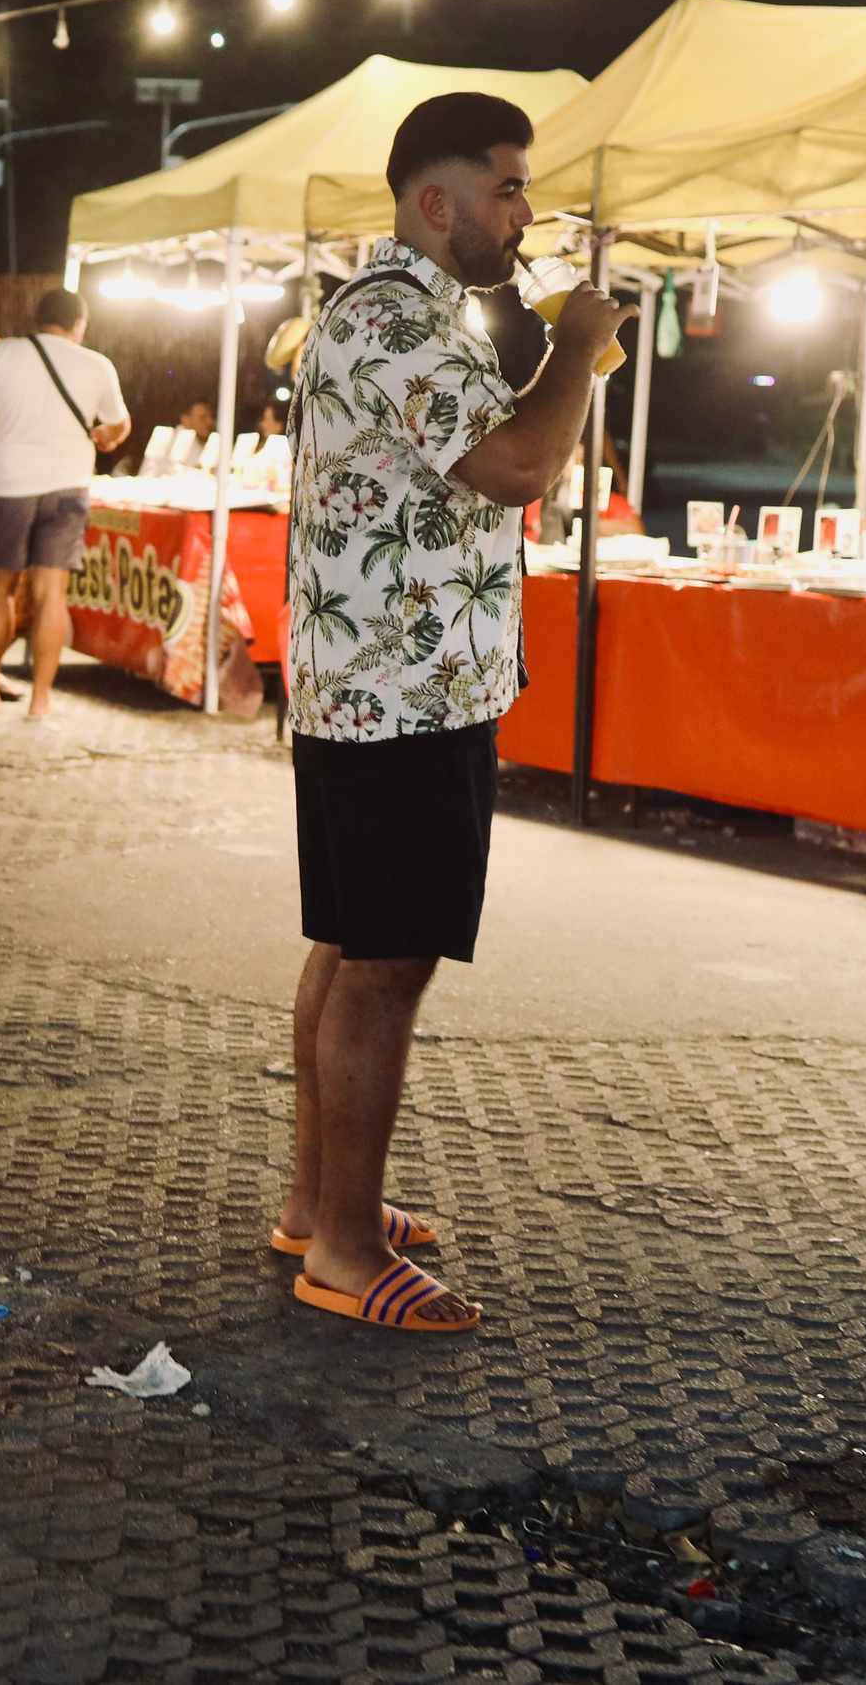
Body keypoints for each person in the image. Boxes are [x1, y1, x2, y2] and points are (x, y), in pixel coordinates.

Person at [280, 92, 634, 1333]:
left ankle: (320, 1202)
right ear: (437, 204)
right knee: (386, 964)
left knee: (349, 943)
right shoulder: (396, 322)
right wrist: (582, 351)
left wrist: (551, 358)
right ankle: (338, 1249)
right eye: (508, 189)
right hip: (403, 691)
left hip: (373, 679)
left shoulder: (393, 314)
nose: (525, 213)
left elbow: (478, 463)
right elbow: (521, 471)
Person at [0, 288, 131, 716]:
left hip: (12, 486)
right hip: (69, 487)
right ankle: (41, 700)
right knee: (53, 594)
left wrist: (3, 413)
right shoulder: (97, 364)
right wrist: (106, 436)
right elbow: (118, 425)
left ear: (39, 317)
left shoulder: (2, 355)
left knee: (0, 591)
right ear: (79, 324)